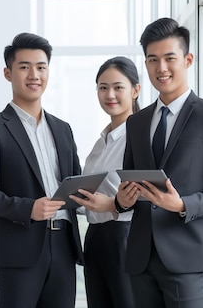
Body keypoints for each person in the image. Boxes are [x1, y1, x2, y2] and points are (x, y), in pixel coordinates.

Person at [115, 17, 203, 308]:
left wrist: (182, 205)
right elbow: (130, 180)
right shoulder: (136, 122)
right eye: (153, 59)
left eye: (170, 58)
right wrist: (122, 200)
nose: (162, 68)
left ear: (188, 59)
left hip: (190, 260)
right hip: (141, 259)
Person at [0, 32, 84, 308]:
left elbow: (77, 182)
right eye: (24, 67)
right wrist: (28, 208)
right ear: (8, 73)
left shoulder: (62, 129)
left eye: (41, 67)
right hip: (19, 250)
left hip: (63, 248)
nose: (34, 75)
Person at [69, 56, 140, 308]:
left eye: (118, 87)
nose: (110, 94)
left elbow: (150, 194)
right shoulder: (101, 142)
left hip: (125, 236)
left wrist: (111, 204)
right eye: (103, 87)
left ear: (135, 90)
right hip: (96, 237)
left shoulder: (140, 138)